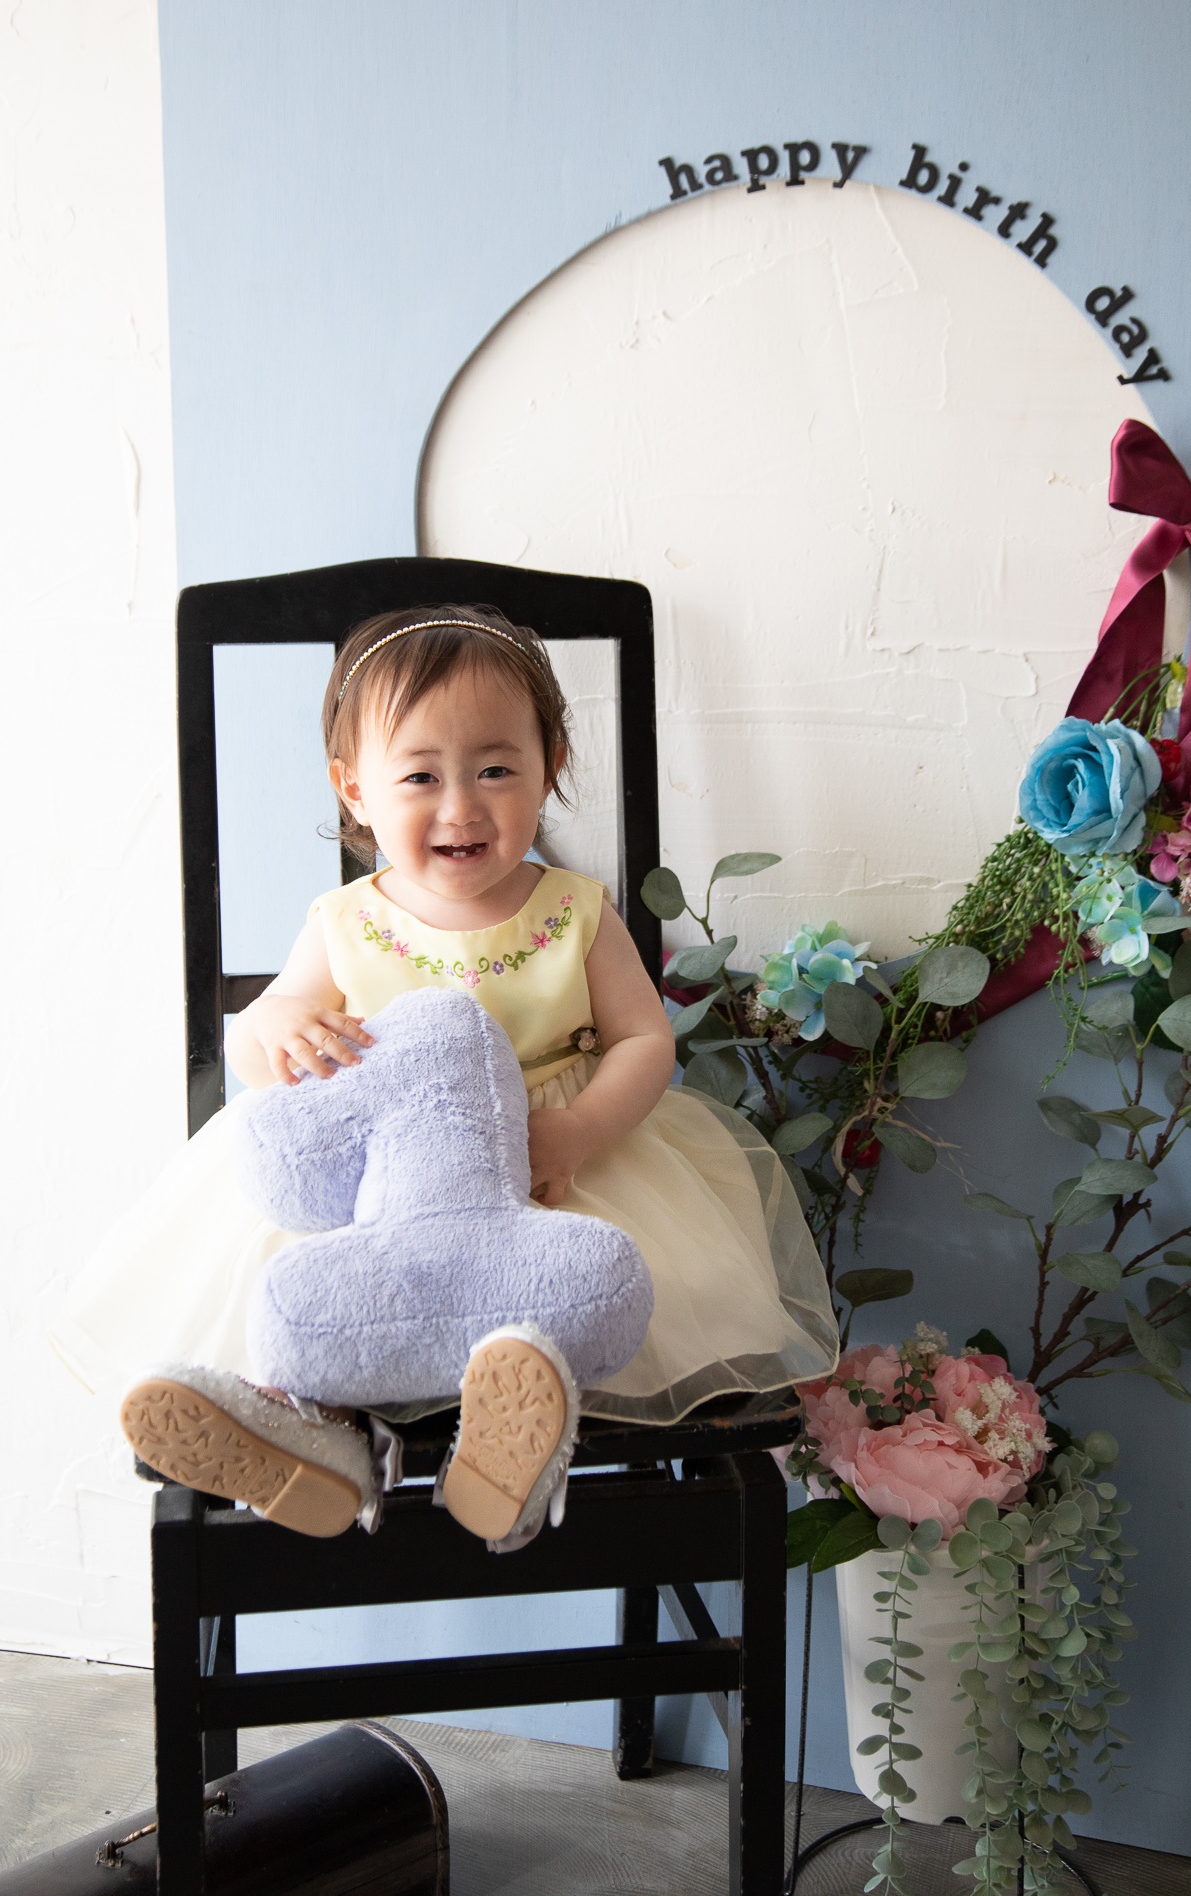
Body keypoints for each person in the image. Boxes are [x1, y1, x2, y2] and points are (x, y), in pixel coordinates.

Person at [51, 605, 838, 1545]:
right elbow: (264, 1060)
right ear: (355, 790)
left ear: (549, 767)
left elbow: (643, 1042)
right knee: (318, 1284)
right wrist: (275, 1024)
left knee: (577, 1285)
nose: (461, 806)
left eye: (495, 770)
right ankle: (313, 1432)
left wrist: (577, 1130)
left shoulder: (574, 912)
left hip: (552, 1161)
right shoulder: (344, 921)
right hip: (385, 1187)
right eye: (420, 776)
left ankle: (514, 1434)